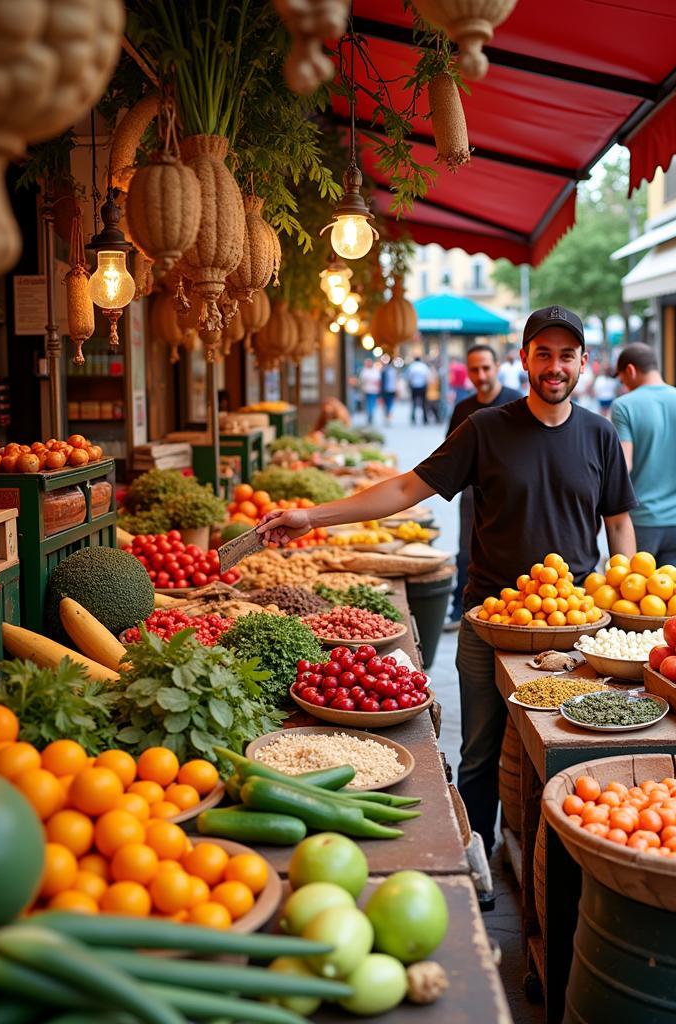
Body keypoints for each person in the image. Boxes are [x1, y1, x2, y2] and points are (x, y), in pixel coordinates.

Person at [256, 305, 637, 851]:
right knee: (479, 750)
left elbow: (620, 527)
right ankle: (479, 850)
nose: (555, 367)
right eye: (544, 354)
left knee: (566, 750)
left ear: (584, 363)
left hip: (573, 631)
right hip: (488, 620)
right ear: (524, 358)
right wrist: (311, 517)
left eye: (567, 356)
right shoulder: (485, 428)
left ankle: (543, 858)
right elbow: (405, 490)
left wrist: (628, 625)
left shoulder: (600, 436)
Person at [610, 344, 676, 575]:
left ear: (630, 370)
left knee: (637, 605)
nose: (623, 385)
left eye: (621, 379)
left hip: (641, 522)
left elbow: (624, 465)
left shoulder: (624, 405)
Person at [444, 345, 523, 629]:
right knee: (466, 550)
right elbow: (450, 456)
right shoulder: (462, 409)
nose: (480, 374)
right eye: (474, 369)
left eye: (486, 368)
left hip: (509, 494)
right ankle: (460, 608)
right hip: (471, 493)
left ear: (498, 366)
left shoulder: (516, 402)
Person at [406, 356, 431, 424]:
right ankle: (425, 419)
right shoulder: (424, 367)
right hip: (422, 386)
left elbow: (409, 378)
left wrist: (409, 386)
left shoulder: (412, 367)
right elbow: (427, 377)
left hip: (414, 387)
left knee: (414, 403)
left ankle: (413, 418)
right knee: (423, 403)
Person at [359, 359, 382, 425]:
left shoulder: (366, 371)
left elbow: (362, 381)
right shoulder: (365, 371)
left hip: (371, 390)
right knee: (370, 403)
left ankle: (370, 414)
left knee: (370, 403)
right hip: (368, 390)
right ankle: (370, 414)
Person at [380, 360, 398, 424]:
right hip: (389, 390)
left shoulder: (384, 371)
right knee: (388, 404)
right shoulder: (392, 371)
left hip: (388, 390)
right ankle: (388, 415)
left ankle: (388, 415)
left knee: (388, 404)